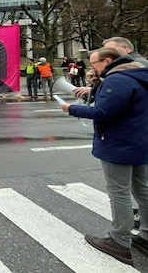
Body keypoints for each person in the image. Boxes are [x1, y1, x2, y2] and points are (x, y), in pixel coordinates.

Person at [60, 47, 148, 265]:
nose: (92, 68)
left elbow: (104, 112)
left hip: (118, 144)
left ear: (108, 60)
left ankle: (120, 241)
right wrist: (98, 83)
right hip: (140, 140)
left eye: (94, 64)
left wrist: (71, 108)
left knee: (119, 192)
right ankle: (146, 233)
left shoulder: (117, 80)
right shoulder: (139, 75)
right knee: (142, 189)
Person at [74, 37, 148, 99]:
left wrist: (95, 89)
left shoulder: (132, 65)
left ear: (125, 48)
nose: (106, 52)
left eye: (110, 49)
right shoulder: (135, 63)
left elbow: (120, 92)